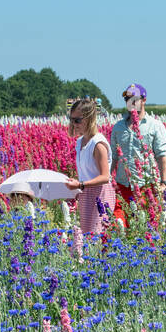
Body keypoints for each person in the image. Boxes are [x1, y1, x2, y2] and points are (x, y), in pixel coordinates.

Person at [109, 83, 166, 223]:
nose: (131, 102)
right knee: (119, 226)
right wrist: (107, 179)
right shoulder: (118, 127)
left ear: (144, 100)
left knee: (147, 226)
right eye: (127, 99)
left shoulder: (155, 126)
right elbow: (113, 156)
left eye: (134, 99)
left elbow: (162, 155)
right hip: (123, 186)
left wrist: (164, 182)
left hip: (146, 186)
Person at [66, 98, 116, 235]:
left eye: (77, 120)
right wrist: (74, 187)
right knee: (86, 238)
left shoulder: (98, 144)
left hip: (101, 195)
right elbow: (86, 173)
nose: (74, 124)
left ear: (89, 119)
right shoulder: (80, 142)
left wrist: (80, 184)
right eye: (71, 119)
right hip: (86, 194)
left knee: (98, 238)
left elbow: (105, 177)